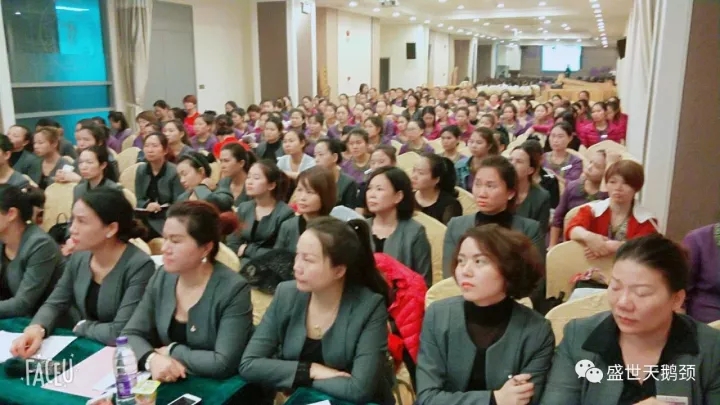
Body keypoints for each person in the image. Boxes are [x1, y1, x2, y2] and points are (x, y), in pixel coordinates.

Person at [541, 234, 720, 404]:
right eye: (615, 287)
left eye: (641, 293)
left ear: (676, 299)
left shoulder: (711, 349)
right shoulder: (579, 337)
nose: (623, 303)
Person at [239, 217, 394, 404]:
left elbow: (359, 389)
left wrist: (294, 377)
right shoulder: (286, 294)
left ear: (339, 270)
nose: (296, 266)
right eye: (297, 255)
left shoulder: (369, 307)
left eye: (308, 260)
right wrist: (309, 371)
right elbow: (249, 364)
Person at [416, 225, 553, 405]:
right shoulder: (438, 315)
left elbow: (525, 401)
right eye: (461, 260)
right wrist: (494, 399)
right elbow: (427, 398)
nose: (465, 271)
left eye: (479, 261)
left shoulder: (536, 331)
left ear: (509, 268)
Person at [11, 188, 154, 355]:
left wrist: (82, 326)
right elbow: (55, 303)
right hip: (92, 347)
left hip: (127, 355)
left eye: (82, 221)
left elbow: (121, 331)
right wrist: (37, 328)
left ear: (111, 228)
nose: (72, 229)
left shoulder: (140, 266)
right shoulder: (80, 257)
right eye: (73, 220)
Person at [122, 201, 251, 381]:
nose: (165, 248)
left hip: (217, 385)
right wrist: (152, 359)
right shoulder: (162, 276)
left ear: (206, 248)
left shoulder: (234, 289)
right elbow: (130, 334)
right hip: (171, 378)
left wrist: (172, 351)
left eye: (175, 241)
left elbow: (223, 363)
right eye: (165, 238)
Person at [444, 156, 545, 278]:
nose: (482, 193)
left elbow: (536, 281)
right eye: (477, 184)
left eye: (490, 186)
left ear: (510, 193)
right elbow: (449, 278)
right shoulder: (456, 226)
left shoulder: (529, 229)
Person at [566, 160, 658, 259]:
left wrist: (619, 247)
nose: (618, 188)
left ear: (637, 188)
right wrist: (590, 237)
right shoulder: (592, 209)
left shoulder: (646, 220)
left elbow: (647, 250)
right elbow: (572, 228)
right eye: (612, 182)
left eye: (626, 183)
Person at [0, 185, 63, 318]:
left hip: (47, 323)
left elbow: (23, 304)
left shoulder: (40, 244)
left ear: (11, 214)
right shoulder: (2, 240)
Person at [365, 167, 432, 287]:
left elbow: (423, 282)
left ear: (398, 196)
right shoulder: (360, 228)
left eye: (379, 189)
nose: (372, 195)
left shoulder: (415, 232)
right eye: (369, 189)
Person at [226, 160, 295, 266]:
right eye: (248, 177)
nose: (249, 182)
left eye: (256, 178)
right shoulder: (244, 208)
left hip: (269, 268)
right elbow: (232, 242)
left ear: (271, 185)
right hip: (239, 264)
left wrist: (247, 249)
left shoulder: (285, 214)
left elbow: (279, 254)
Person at [549, 150, 608, 247]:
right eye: (590, 162)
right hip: (570, 242)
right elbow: (557, 218)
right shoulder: (572, 187)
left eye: (597, 166)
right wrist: (552, 246)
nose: (589, 167)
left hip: (598, 245)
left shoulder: (608, 196)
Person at [134, 133, 184, 237]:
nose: (150, 150)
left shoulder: (174, 172)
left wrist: (159, 208)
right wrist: (147, 205)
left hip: (166, 217)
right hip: (145, 215)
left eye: (154, 146)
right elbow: (139, 199)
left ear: (165, 150)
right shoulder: (141, 170)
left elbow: (178, 203)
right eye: (147, 146)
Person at [275, 167, 336, 252]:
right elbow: (276, 257)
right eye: (299, 190)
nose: (302, 197)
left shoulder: (336, 230)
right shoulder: (288, 226)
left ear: (325, 195)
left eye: (309, 192)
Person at [510, 143, 552, 231]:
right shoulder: (499, 190)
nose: (512, 164)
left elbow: (540, 232)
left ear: (530, 170)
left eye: (519, 161)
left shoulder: (541, 197)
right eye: (510, 160)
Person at [412, 153, 462, 225]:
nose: (414, 176)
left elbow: (448, 231)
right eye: (413, 170)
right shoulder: (406, 198)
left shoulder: (450, 205)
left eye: (421, 173)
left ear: (436, 179)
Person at [314, 138, 358, 209]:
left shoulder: (348, 183)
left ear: (334, 157)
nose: (316, 159)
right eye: (315, 155)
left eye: (320, 154)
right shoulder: (312, 179)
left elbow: (349, 212)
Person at [455, 127, 500, 192]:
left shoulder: (497, 166)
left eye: (479, 143)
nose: (473, 146)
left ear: (489, 146)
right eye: (471, 142)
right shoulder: (460, 165)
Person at [216, 143, 253, 207]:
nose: (222, 166)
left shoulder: (253, 185)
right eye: (221, 161)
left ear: (241, 163)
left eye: (226, 161)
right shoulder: (222, 183)